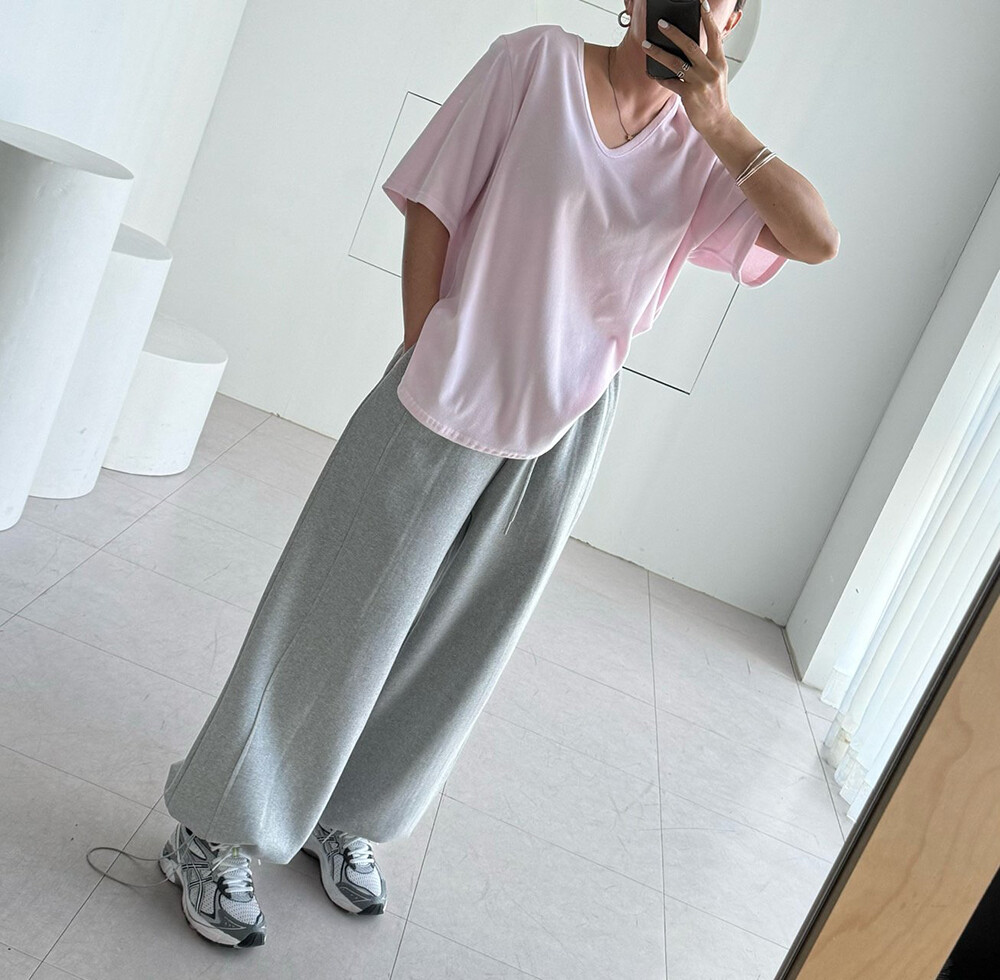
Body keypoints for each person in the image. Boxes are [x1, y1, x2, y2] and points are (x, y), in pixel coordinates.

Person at [151, 0, 838, 948]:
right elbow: (436, 201)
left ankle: (347, 812)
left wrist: (719, 121)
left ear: (731, 16)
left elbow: (816, 238)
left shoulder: (704, 150)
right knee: (334, 614)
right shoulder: (534, 63)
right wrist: (426, 345)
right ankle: (213, 830)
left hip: (566, 426)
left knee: (458, 644)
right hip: (446, 385)